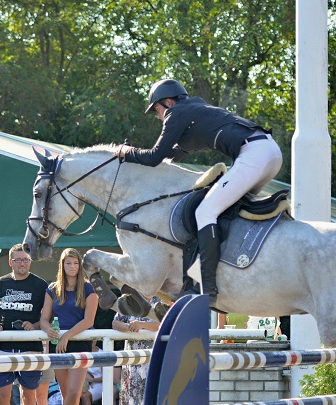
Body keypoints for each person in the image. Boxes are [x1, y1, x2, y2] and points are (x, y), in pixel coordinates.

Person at [116, 79, 283, 303]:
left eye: (156, 109)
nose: (158, 117)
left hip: (254, 154)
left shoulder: (176, 113)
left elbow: (154, 157)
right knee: (228, 212)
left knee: (205, 212)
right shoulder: (196, 109)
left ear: (168, 102)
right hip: (270, 152)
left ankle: (206, 285)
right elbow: (173, 154)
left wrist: (125, 151)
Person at [0, 243, 49, 405]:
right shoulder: (1, 283)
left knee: (28, 396)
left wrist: (35, 326)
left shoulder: (40, 284)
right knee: (1, 396)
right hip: (4, 347)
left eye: (26, 260)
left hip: (31, 347)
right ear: (10, 262)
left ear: (30, 262)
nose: (22, 263)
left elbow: (49, 315)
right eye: (18, 260)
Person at [40, 248, 98, 405]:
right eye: (68, 263)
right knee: (65, 393)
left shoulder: (88, 288)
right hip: (58, 345)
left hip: (79, 343)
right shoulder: (53, 289)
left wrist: (67, 335)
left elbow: (89, 320)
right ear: (62, 265)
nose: (72, 266)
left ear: (80, 265)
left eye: (75, 263)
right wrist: (48, 329)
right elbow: (44, 319)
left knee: (74, 392)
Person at [112, 303, 161, 405]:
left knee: (157, 400)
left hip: (156, 360)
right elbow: (115, 323)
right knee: (136, 404)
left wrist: (142, 324)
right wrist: (128, 327)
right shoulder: (129, 302)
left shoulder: (161, 301)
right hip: (133, 362)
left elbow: (166, 323)